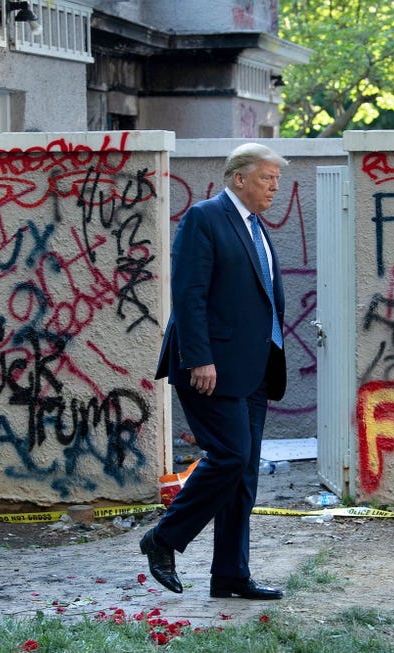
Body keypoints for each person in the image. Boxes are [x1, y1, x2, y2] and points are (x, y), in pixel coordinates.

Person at [140, 143, 288, 599]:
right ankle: (163, 538)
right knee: (229, 458)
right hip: (212, 368)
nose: (274, 187)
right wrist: (199, 357)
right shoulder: (205, 218)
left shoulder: (255, 226)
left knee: (243, 475)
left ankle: (230, 575)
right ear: (238, 178)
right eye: (267, 178)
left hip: (255, 369)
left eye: (277, 180)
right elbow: (189, 294)